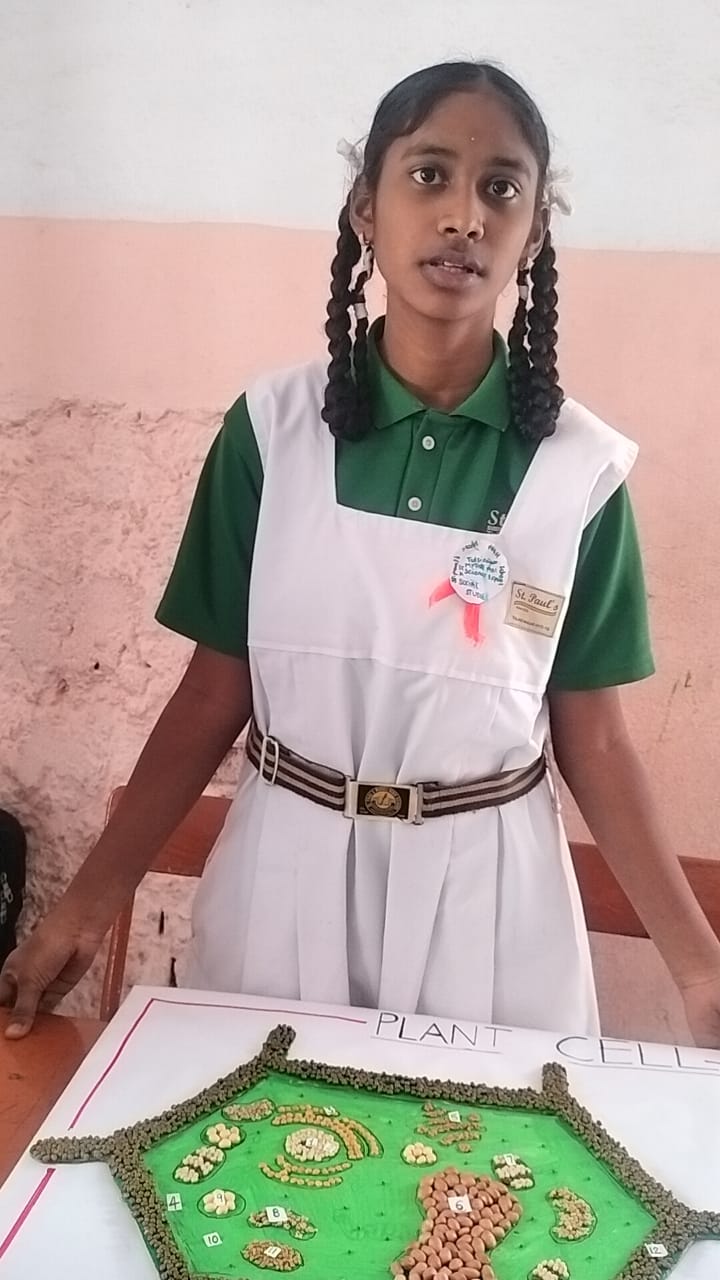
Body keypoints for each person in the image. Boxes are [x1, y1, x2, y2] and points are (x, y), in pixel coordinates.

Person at [3, 61, 720, 1045]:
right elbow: (213, 692)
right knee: (261, 1134)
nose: (464, 216)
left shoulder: (579, 472)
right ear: (366, 210)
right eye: (429, 174)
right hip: (285, 870)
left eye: (501, 188)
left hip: (491, 900)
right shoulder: (272, 432)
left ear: (533, 234)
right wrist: (88, 902)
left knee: (480, 1143)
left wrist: (700, 965)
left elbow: (593, 740)